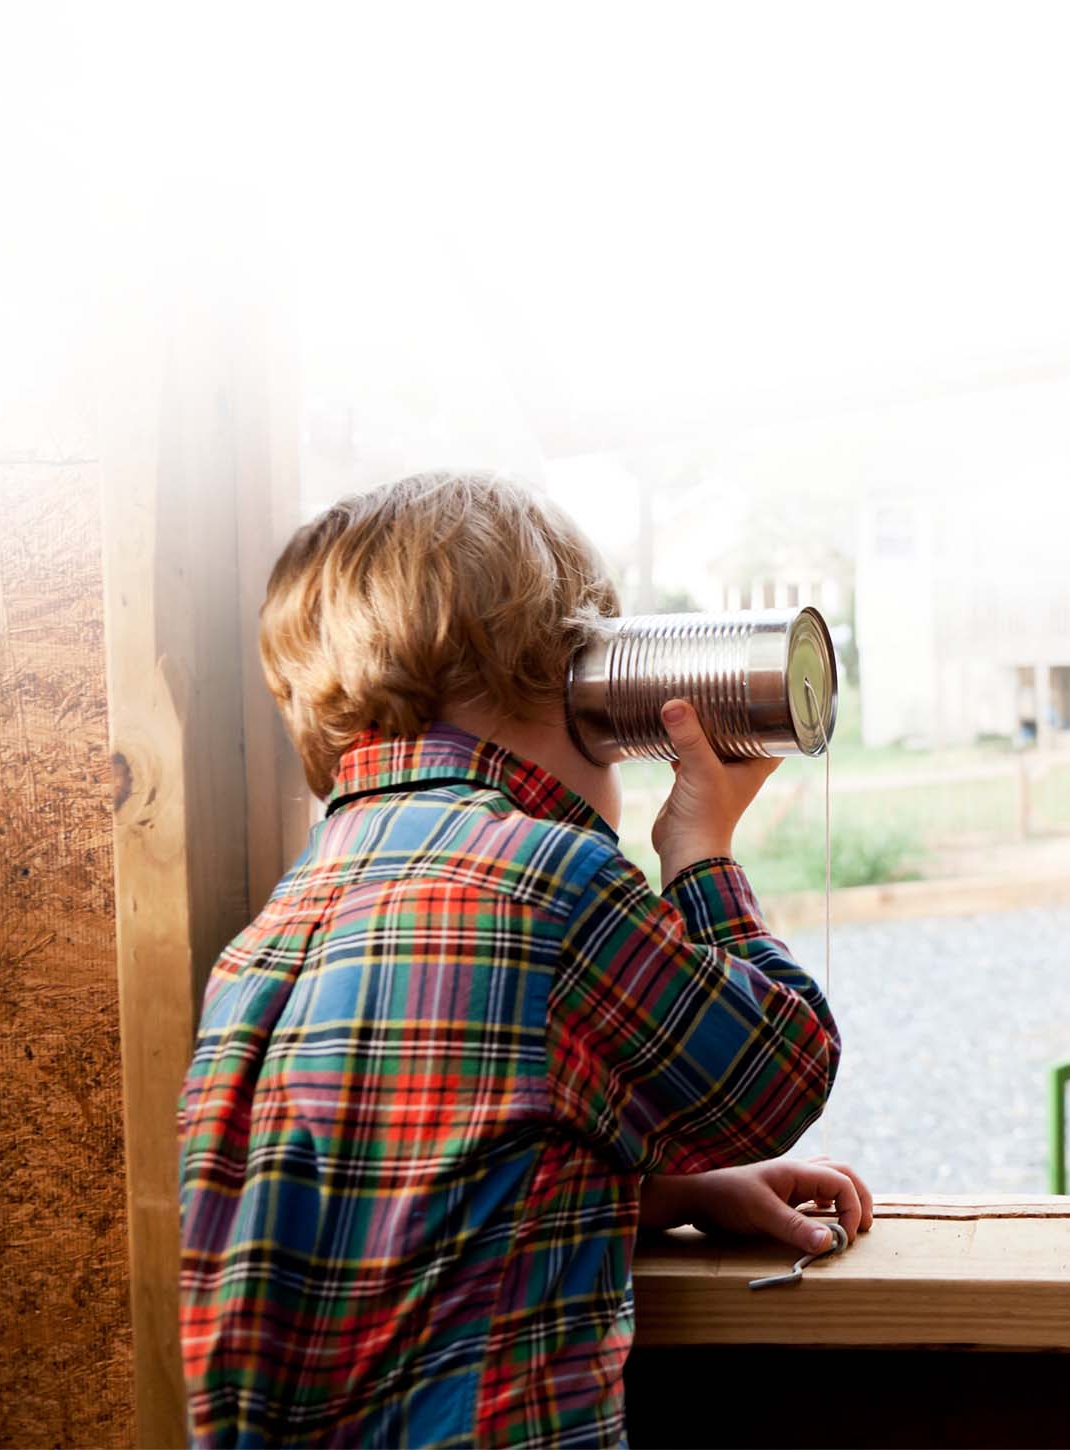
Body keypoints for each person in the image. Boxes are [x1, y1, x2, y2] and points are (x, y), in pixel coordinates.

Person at [178, 471, 863, 1448]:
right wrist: (698, 851)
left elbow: (398, 1221)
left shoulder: (271, 935)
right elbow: (779, 1072)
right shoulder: (548, 883)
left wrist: (654, 1192)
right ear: (573, 687)